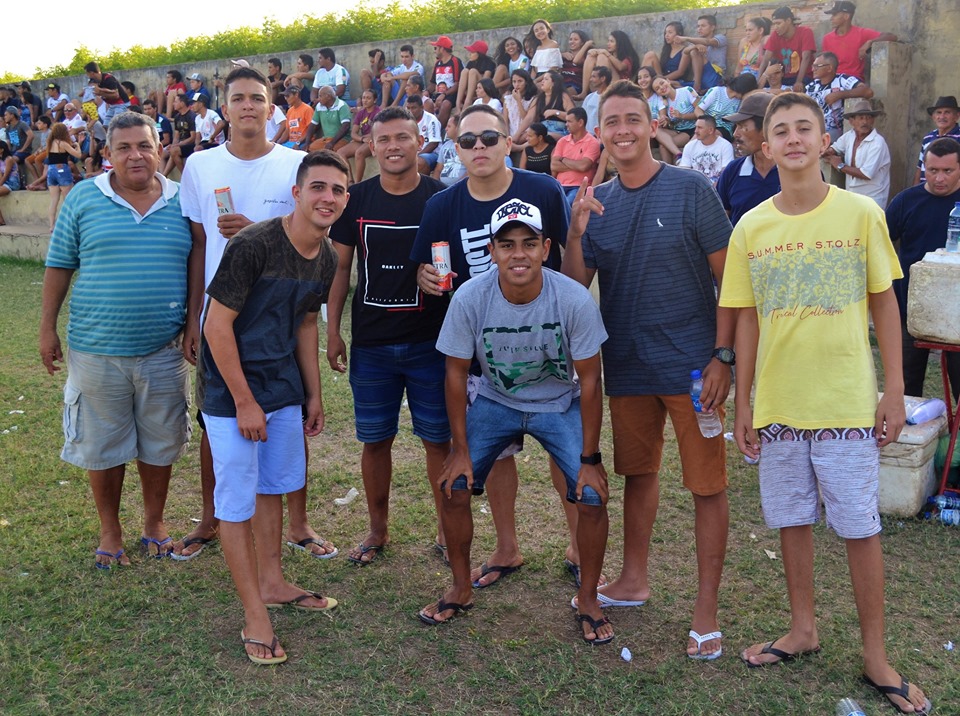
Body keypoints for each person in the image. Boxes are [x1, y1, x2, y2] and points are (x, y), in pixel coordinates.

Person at [722, 91, 932, 716]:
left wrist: (893, 388)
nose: (791, 138)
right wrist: (743, 401)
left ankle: (876, 656)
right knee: (792, 519)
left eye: (803, 128)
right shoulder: (751, 227)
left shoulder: (860, 215)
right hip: (780, 403)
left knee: (859, 527)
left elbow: (884, 303)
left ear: (824, 142)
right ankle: (803, 628)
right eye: (779, 130)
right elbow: (748, 321)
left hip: (843, 401)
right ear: (765, 145)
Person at [561, 79, 734, 661]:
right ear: (600, 132)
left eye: (633, 119)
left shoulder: (690, 188)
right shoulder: (595, 204)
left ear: (651, 123)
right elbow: (574, 285)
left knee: (707, 486)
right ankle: (633, 578)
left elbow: (729, 280)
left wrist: (723, 356)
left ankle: (706, 611)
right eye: (612, 122)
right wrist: (577, 232)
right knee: (639, 475)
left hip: (693, 370)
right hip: (629, 367)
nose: (623, 131)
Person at [412, 105, 596, 591]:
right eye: (469, 141)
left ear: (507, 141)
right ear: (456, 148)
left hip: (548, 351)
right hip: (482, 356)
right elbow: (426, 267)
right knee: (498, 456)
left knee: (567, 457)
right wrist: (423, 276)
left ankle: (578, 546)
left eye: (489, 138)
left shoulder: (542, 190)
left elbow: (568, 273)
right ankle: (506, 547)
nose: (479, 148)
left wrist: (575, 237)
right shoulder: (442, 206)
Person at [418, 197, 611, 645]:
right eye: (507, 245)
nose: (518, 254)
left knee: (591, 496)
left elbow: (590, 379)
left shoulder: (573, 299)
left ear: (546, 248)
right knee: (454, 486)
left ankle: (588, 598)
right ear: (493, 251)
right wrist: (460, 451)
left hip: (559, 401)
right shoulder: (470, 296)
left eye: (529, 243)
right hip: (497, 398)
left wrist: (591, 457)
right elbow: (455, 372)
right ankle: (461, 588)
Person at [177, 66, 335, 562]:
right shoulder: (200, 166)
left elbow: (310, 235)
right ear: (225, 108)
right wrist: (194, 318)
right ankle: (210, 518)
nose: (248, 105)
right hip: (221, 318)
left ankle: (300, 522)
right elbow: (199, 246)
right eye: (239, 98)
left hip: (279, 317)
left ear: (273, 110)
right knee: (216, 420)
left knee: (288, 414)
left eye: (257, 98)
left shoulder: (295, 164)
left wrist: (256, 231)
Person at [199, 150, 345, 666]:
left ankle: (274, 580)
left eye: (338, 190)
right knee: (236, 500)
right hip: (231, 391)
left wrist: (314, 393)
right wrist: (243, 400)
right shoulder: (253, 244)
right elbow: (216, 327)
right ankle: (254, 615)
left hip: (282, 388)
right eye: (318, 187)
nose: (328, 197)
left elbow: (306, 324)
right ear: (298, 193)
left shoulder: (326, 257)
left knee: (273, 488)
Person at [39, 111, 193, 569]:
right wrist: (47, 326)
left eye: (143, 145)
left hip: (164, 350)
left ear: (160, 146)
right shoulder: (84, 198)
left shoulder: (184, 201)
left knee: (160, 442)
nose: (135, 155)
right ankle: (110, 530)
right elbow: (59, 265)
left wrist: (193, 325)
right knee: (103, 446)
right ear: (107, 155)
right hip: (96, 349)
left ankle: (155, 523)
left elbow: (196, 267)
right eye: (123, 147)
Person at [326, 107, 452, 566]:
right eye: (385, 139)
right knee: (375, 440)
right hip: (372, 345)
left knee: (437, 441)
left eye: (403, 137)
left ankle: (446, 527)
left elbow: (452, 268)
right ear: (372, 146)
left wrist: (437, 278)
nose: (394, 146)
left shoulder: (442, 198)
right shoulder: (355, 200)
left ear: (420, 141)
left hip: (432, 344)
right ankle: (377, 530)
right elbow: (341, 268)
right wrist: (334, 330)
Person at [888, 137, 960, 400]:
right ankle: (913, 438)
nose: (939, 178)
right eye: (933, 171)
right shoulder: (906, 201)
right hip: (910, 308)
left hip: (957, 312)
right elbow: (881, 244)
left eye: (947, 171)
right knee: (907, 383)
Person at [716, 92, 781, 227]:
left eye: (742, 126)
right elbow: (720, 220)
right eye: (736, 126)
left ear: (766, 128)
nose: (735, 134)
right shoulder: (732, 171)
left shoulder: (798, 171)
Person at [823, 99, 890, 207]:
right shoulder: (849, 136)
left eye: (868, 118)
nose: (865, 122)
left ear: (872, 120)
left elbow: (867, 173)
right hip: (852, 197)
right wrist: (824, 152)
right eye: (861, 118)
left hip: (872, 200)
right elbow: (835, 148)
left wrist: (840, 165)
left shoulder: (878, 143)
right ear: (851, 121)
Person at [804, 51, 873, 142]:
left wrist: (839, 94)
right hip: (814, 129)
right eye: (813, 66)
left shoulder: (842, 80)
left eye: (817, 66)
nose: (813, 69)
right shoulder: (812, 86)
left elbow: (867, 92)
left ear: (829, 68)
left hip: (834, 130)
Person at [822, 1, 898, 81]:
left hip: (853, 80)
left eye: (834, 15)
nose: (831, 18)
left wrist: (870, 42)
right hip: (832, 79)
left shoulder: (861, 33)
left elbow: (892, 37)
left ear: (846, 16)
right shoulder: (827, 38)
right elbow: (824, 63)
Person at [758, 7, 817, 92]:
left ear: (788, 21)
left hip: (803, 76)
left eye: (778, 23)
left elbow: (806, 57)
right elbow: (765, 60)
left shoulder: (805, 31)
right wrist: (758, 82)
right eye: (774, 24)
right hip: (782, 77)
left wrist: (798, 82)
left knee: (801, 90)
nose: (776, 27)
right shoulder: (775, 35)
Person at [551, 107, 601, 202]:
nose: (566, 125)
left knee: (567, 204)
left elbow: (583, 166)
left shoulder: (592, 142)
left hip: (579, 187)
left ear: (580, 123)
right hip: (559, 185)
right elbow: (554, 166)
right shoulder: (562, 141)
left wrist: (563, 160)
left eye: (569, 121)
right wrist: (577, 165)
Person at [44, 122, 82, 232]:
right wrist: (78, 145)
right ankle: (68, 224)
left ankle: (52, 225)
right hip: (62, 170)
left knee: (54, 200)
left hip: (51, 171)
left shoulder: (50, 143)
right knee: (68, 199)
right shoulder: (63, 143)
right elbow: (78, 155)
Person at [676, 14, 727, 93]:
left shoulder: (721, 38)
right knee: (673, 84)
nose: (699, 28)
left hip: (714, 76)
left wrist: (686, 38)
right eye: (698, 26)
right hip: (701, 77)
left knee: (695, 51)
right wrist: (695, 46)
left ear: (712, 27)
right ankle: (697, 86)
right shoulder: (696, 42)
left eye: (703, 26)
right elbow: (685, 52)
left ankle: (697, 86)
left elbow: (708, 42)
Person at [915, 96, 960, 185]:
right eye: (938, 113)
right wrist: (915, 193)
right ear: (933, 117)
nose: (942, 116)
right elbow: (920, 167)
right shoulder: (928, 138)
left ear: (957, 116)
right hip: (926, 191)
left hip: (950, 193)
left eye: (947, 112)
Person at [695, 74, 756, 140]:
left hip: (724, 128)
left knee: (712, 134)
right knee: (700, 134)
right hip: (707, 123)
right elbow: (698, 109)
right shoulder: (716, 91)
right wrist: (706, 123)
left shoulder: (741, 101)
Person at [337, 89, 379, 182]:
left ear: (375, 100)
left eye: (368, 98)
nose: (365, 100)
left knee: (359, 153)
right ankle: (350, 180)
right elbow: (353, 133)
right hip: (364, 139)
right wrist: (362, 138)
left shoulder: (378, 112)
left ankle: (358, 182)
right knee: (340, 152)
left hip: (375, 140)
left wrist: (363, 138)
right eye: (363, 98)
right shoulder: (361, 113)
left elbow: (376, 132)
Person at [678, 115, 734, 184]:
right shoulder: (689, 146)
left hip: (718, 188)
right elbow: (684, 171)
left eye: (700, 128)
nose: (695, 131)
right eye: (696, 127)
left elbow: (726, 173)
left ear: (710, 130)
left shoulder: (725, 146)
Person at [653, 77, 697, 159]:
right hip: (677, 131)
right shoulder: (665, 103)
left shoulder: (687, 90)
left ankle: (679, 157)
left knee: (664, 146)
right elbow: (672, 125)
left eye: (662, 83)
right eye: (657, 88)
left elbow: (700, 113)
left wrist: (682, 116)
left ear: (668, 81)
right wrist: (667, 121)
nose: (661, 88)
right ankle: (677, 158)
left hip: (692, 129)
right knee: (656, 129)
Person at [524, 70, 574, 140]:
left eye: (546, 79)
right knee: (524, 137)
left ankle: (519, 147)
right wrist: (517, 135)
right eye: (543, 79)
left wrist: (555, 112)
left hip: (559, 131)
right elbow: (529, 118)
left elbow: (573, 116)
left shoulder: (563, 96)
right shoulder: (538, 98)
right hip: (542, 129)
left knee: (544, 136)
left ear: (553, 83)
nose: (542, 81)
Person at [300, 86, 351, 152]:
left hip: (341, 139)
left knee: (329, 152)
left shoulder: (341, 105)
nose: (318, 99)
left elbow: (346, 126)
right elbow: (312, 125)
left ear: (328, 97)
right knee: (309, 149)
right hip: (326, 139)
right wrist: (307, 143)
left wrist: (332, 142)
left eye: (320, 96)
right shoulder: (319, 106)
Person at [428, 35, 464, 129]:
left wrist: (444, 94)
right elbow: (432, 83)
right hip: (438, 93)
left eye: (436, 48)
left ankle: (436, 131)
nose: (435, 50)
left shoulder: (455, 61)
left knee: (445, 104)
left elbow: (457, 84)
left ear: (442, 49)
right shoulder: (437, 63)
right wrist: (426, 92)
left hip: (451, 93)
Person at [407, 94, 442, 175]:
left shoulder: (431, 119)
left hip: (433, 154)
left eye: (414, 108)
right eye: (408, 108)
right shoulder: (406, 120)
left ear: (422, 107)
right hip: (414, 153)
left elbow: (434, 144)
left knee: (418, 162)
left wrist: (417, 155)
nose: (410, 111)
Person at [503, 69, 537, 151]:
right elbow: (505, 120)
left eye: (520, 81)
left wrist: (518, 101)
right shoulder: (508, 98)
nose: (516, 84)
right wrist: (507, 135)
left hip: (525, 132)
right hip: (511, 131)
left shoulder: (533, 99)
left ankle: (516, 146)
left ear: (526, 82)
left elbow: (526, 119)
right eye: (514, 82)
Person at [163, 94, 197, 176]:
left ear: (182, 103)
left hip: (190, 144)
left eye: (175, 102)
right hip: (180, 145)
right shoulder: (177, 117)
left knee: (174, 151)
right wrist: (173, 145)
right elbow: (176, 136)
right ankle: (163, 176)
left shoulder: (191, 116)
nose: (173, 104)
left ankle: (185, 176)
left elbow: (193, 138)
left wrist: (177, 145)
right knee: (162, 153)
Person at [457, 41, 497, 109]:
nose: (469, 54)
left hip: (482, 89)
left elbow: (485, 82)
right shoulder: (471, 62)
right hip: (469, 90)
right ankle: (458, 103)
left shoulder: (489, 63)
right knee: (464, 71)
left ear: (479, 54)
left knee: (473, 71)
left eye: (472, 52)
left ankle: (468, 102)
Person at [434, 114, 467, 186]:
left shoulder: (468, 146)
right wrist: (435, 185)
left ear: (458, 128)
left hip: (460, 187)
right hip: (442, 187)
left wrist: (458, 187)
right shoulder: (445, 146)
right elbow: (438, 169)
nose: (446, 129)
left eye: (449, 126)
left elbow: (470, 171)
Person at [562, 30, 593, 98]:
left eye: (575, 39)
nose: (572, 42)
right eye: (570, 39)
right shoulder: (565, 55)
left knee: (564, 94)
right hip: (563, 83)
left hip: (576, 85)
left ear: (582, 42)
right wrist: (561, 54)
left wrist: (586, 45)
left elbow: (576, 60)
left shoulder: (585, 57)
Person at [581, 67, 611, 136]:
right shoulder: (589, 97)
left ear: (603, 78)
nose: (590, 79)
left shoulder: (611, 98)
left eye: (594, 77)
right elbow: (582, 116)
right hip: (587, 137)